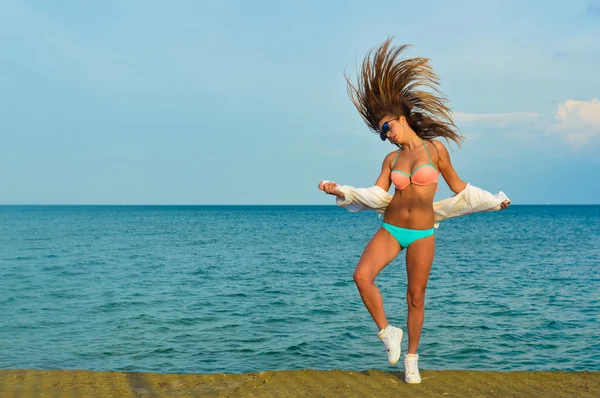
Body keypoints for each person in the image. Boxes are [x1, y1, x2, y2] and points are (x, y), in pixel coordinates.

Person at [318, 38, 509, 384]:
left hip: (422, 231)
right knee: (361, 277)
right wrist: (341, 190)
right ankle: (388, 333)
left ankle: (411, 359)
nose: (385, 135)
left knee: (415, 297)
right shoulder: (390, 160)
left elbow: (459, 188)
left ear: (401, 119)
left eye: (386, 128)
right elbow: (376, 194)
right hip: (391, 228)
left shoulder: (435, 151)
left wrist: (492, 202)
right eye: (380, 133)